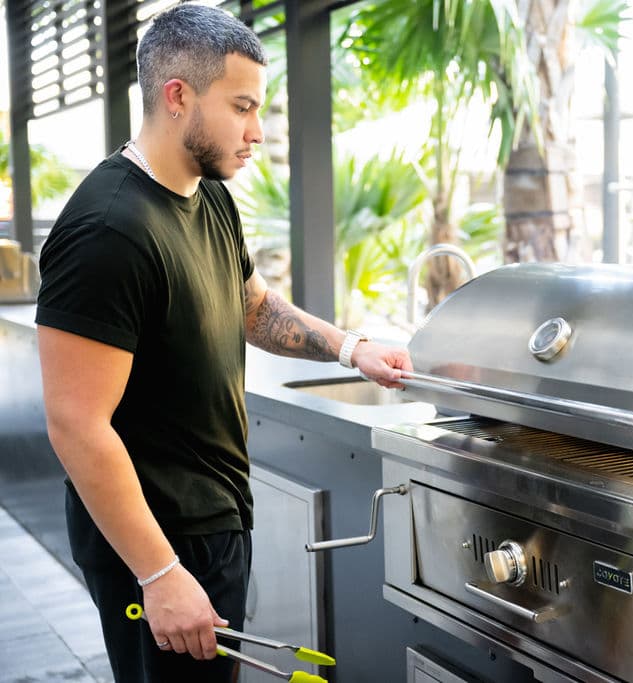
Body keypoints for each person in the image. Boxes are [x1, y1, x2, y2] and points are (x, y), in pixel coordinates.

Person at [34, 4, 412, 681]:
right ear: (177, 97)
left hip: (211, 525)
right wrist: (161, 573)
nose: (257, 132)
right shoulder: (108, 231)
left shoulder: (207, 195)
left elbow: (252, 304)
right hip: (156, 540)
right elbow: (75, 424)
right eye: (242, 107)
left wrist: (351, 346)